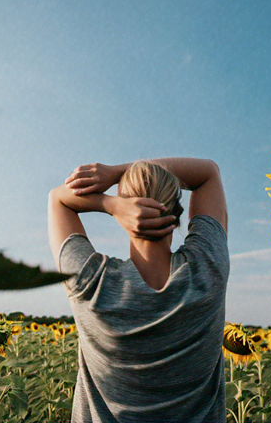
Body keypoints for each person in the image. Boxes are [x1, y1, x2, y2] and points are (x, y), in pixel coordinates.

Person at [48, 157, 229, 423]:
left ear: (125, 217)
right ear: (178, 214)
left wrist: (110, 203)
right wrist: (118, 172)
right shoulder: (208, 266)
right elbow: (208, 172)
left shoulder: (92, 282)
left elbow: (57, 199)